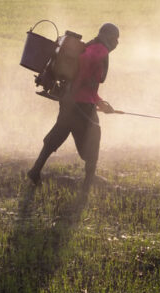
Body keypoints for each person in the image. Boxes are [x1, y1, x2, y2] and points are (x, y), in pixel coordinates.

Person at [27, 23, 120, 190]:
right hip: (80, 103)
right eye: (116, 38)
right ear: (110, 38)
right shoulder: (100, 50)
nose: (117, 42)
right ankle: (89, 181)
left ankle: (35, 170)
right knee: (94, 136)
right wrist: (91, 100)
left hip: (70, 99)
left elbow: (85, 81)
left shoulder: (91, 45)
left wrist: (96, 101)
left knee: (59, 133)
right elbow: (85, 77)